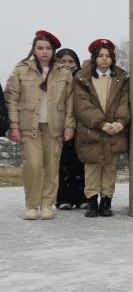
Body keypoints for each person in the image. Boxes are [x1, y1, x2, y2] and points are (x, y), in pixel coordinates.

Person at [6, 30, 75, 220]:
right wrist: (14, 125)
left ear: (53, 51)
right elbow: (12, 98)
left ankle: (46, 204)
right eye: (40, 48)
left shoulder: (64, 73)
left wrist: (69, 126)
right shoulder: (21, 70)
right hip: (29, 125)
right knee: (33, 165)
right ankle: (31, 204)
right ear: (34, 49)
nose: (44, 52)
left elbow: (70, 103)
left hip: (55, 125)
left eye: (48, 48)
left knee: (52, 165)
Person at [72, 39, 130, 218]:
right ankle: (91, 202)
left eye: (108, 56)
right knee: (92, 168)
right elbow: (82, 106)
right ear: (94, 58)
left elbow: (124, 102)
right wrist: (101, 123)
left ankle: (106, 201)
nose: (104, 59)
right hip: (92, 131)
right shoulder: (83, 79)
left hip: (115, 130)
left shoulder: (121, 79)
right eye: (100, 56)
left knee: (110, 168)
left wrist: (119, 123)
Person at [53, 48, 87, 210]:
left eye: (70, 61)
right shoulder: (53, 77)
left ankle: (81, 196)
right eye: (63, 61)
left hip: (80, 125)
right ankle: (63, 197)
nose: (67, 64)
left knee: (80, 162)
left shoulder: (83, 78)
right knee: (62, 163)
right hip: (59, 124)